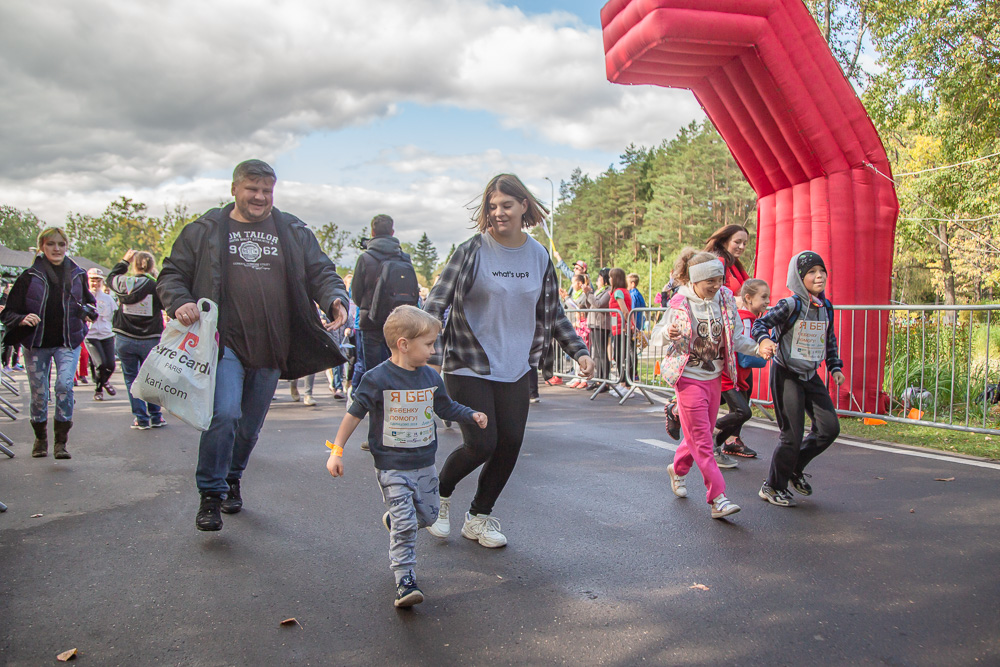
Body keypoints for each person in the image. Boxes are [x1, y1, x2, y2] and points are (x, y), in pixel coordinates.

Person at [158, 159, 348, 532]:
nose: (260, 197)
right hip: (222, 342)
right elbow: (171, 273)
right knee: (224, 414)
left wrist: (335, 298)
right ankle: (210, 494)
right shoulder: (205, 229)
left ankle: (233, 477)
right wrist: (178, 300)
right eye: (252, 189)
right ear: (234, 189)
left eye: (267, 190)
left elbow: (320, 270)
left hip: (274, 343)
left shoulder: (291, 229)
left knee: (248, 428)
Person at [423, 174, 594, 547]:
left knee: (510, 442)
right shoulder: (472, 250)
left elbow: (553, 312)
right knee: (482, 443)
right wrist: (429, 357)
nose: (498, 212)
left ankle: (479, 517)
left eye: (506, 205)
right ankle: (437, 496)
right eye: (493, 206)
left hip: (516, 366)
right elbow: (436, 304)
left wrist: (578, 350)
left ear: (524, 207)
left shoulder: (538, 255)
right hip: (469, 362)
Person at [326, 306, 487, 607]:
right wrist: (337, 450)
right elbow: (353, 415)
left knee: (426, 515)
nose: (433, 350)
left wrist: (471, 414)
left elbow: (446, 407)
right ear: (404, 344)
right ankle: (405, 579)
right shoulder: (376, 379)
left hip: (425, 464)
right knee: (404, 525)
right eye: (428, 344)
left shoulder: (430, 377)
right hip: (391, 467)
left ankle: (397, 518)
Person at [661, 249, 774, 519]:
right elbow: (661, 334)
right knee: (703, 439)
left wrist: (759, 348)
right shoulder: (680, 302)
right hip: (687, 378)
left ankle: (677, 468)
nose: (716, 285)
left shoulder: (724, 299)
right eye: (709, 280)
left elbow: (734, 338)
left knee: (701, 432)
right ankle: (718, 498)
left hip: (714, 376)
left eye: (719, 279)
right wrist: (669, 332)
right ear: (694, 280)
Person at [751, 251, 844, 508]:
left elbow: (830, 339)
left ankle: (794, 468)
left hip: (811, 375)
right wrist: (765, 340)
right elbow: (759, 325)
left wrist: (835, 366)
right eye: (812, 272)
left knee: (829, 429)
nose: (819, 276)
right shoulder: (790, 305)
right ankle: (772, 485)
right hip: (787, 374)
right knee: (791, 435)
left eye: (822, 271)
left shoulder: (826, 307)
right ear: (799, 277)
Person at [1, 227, 96, 459]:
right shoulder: (29, 276)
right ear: (42, 246)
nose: (56, 249)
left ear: (66, 246)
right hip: (36, 343)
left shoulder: (77, 274)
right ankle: (41, 439)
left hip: (68, 341)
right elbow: (7, 312)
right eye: (51, 244)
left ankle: (61, 442)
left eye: (61, 244)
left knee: (64, 386)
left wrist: (87, 313)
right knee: (39, 393)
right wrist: (22, 318)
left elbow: (91, 304)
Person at [351, 214, 416, 389]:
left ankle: (377, 414)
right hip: (400, 324)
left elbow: (356, 295)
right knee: (401, 371)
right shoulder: (404, 258)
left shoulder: (365, 259)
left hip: (371, 323)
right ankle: (399, 413)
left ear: (372, 232)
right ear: (392, 232)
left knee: (373, 374)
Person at [108, 249, 166, 430]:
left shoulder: (124, 283)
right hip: (149, 337)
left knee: (131, 378)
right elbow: (166, 304)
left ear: (134, 264)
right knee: (152, 378)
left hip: (125, 337)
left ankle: (141, 418)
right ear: (151, 265)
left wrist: (124, 261)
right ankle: (156, 416)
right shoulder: (156, 285)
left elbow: (110, 278)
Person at [716, 279, 770, 459]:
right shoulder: (746, 320)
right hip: (729, 376)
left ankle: (717, 444)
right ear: (748, 297)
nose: (768, 301)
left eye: (768, 297)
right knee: (742, 412)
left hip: (740, 376)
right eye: (763, 297)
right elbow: (745, 355)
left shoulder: (754, 319)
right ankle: (709, 434)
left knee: (741, 413)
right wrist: (763, 351)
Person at [84, 268, 117, 401]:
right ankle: (98, 389)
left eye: (98, 280)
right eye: (92, 280)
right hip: (91, 335)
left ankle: (104, 381)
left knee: (111, 364)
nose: (95, 284)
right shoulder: (84, 297)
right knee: (100, 364)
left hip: (106, 334)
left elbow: (115, 315)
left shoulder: (107, 298)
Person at [584, 268, 613, 392]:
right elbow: (590, 304)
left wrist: (589, 294)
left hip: (602, 324)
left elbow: (600, 304)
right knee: (596, 353)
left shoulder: (608, 291)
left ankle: (604, 380)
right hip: (594, 323)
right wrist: (588, 294)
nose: (597, 280)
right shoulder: (598, 291)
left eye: (600, 278)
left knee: (602, 353)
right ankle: (598, 379)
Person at [704, 224, 751, 296]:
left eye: (744, 243)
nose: (742, 247)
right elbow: (708, 294)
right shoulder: (717, 263)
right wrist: (734, 300)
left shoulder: (735, 264)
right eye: (737, 242)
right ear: (723, 242)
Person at [608, 268, 633, 389]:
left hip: (621, 328)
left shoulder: (618, 292)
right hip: (619, 327)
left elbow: (624, 310)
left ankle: (626, 384)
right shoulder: (623, 291)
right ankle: (623, 383)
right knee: (620, 355)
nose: (609, 279)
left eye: (611, 277)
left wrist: (628, 324)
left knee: (620, 356)